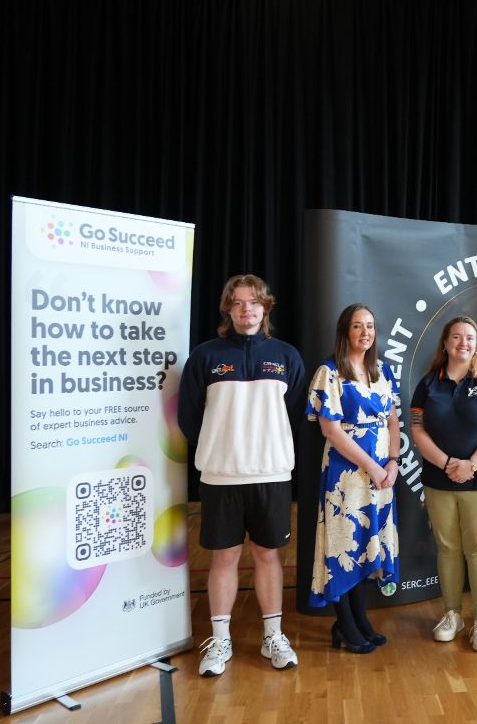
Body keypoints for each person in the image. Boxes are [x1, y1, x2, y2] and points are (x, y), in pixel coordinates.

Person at [178, 274, 305, 676]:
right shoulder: (205, 356)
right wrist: (222, 447)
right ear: (227, 309)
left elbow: (299, 415)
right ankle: (220, 641)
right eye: (237, 303)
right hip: (221, 476)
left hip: (272, 474)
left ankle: (273, 637)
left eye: (253, 303)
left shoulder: (286, 355)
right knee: (224, 558)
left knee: (269, 556)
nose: (246, 309)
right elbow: (189, 417)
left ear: (266, 308)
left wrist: (268, 448)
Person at [409, 316, 477, 652]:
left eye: (470, 338)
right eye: (456, 337)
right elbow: (418, 429)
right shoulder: (428, 383)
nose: (463, 343)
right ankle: (452, 614)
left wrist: (472, 465)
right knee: (449, 549)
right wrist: (448, 463)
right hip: (440, 480)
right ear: (445, 343)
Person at [306, 304, 401, 654]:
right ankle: (344, 623)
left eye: (370, 326)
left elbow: (393, 422)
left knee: (365, 542)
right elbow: (331, 430)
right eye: (358, 326)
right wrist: (372, 468)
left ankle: (359, 618)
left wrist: (392, 462)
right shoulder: (329, 372)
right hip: (346, 474)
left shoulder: (383, 372)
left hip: (381, 476)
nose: (365, 332)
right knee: (343, 544)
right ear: (345, 331)